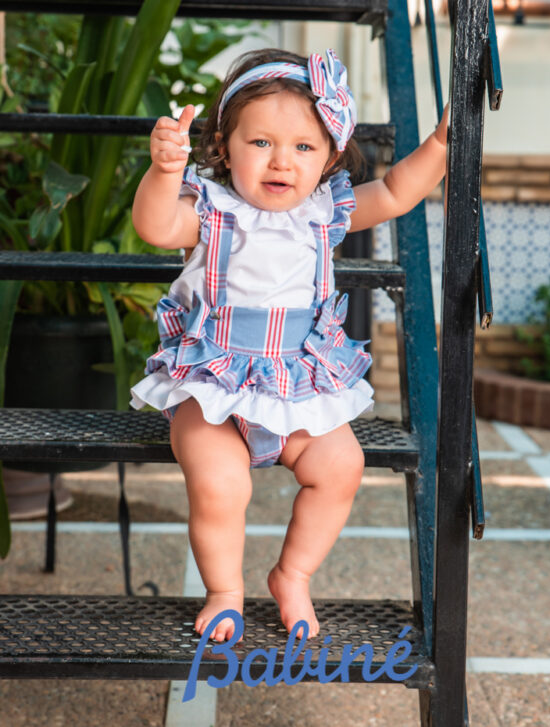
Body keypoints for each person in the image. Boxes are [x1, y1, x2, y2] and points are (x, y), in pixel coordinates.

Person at [130, 48, 448, 642]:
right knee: (223, 484)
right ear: (224, 146)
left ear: (330, 156)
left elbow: (399, 192)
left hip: (296, 383)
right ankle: (225, 590)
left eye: (304, 146)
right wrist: (164, 171)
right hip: (213, 388)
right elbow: (154, 225)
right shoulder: (213, 211)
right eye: (261, 144)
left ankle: (293, 575)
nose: (282, 162)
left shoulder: (325, 213)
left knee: (342, 466)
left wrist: (442, 144)